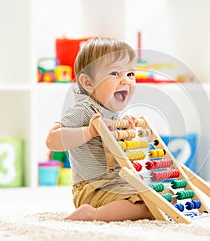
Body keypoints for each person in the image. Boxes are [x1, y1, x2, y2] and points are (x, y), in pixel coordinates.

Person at [45, 36, 154, 222]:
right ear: (88, 83)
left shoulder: (112, 113)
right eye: (114, 74)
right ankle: (91, 214)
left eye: (130, 74)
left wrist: (126, 132)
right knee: (147, 206)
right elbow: (52, 140)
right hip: (92, 188)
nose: (126, 81)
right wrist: (89, 131)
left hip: (117, 182)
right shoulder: (84, 110)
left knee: (158, 199)